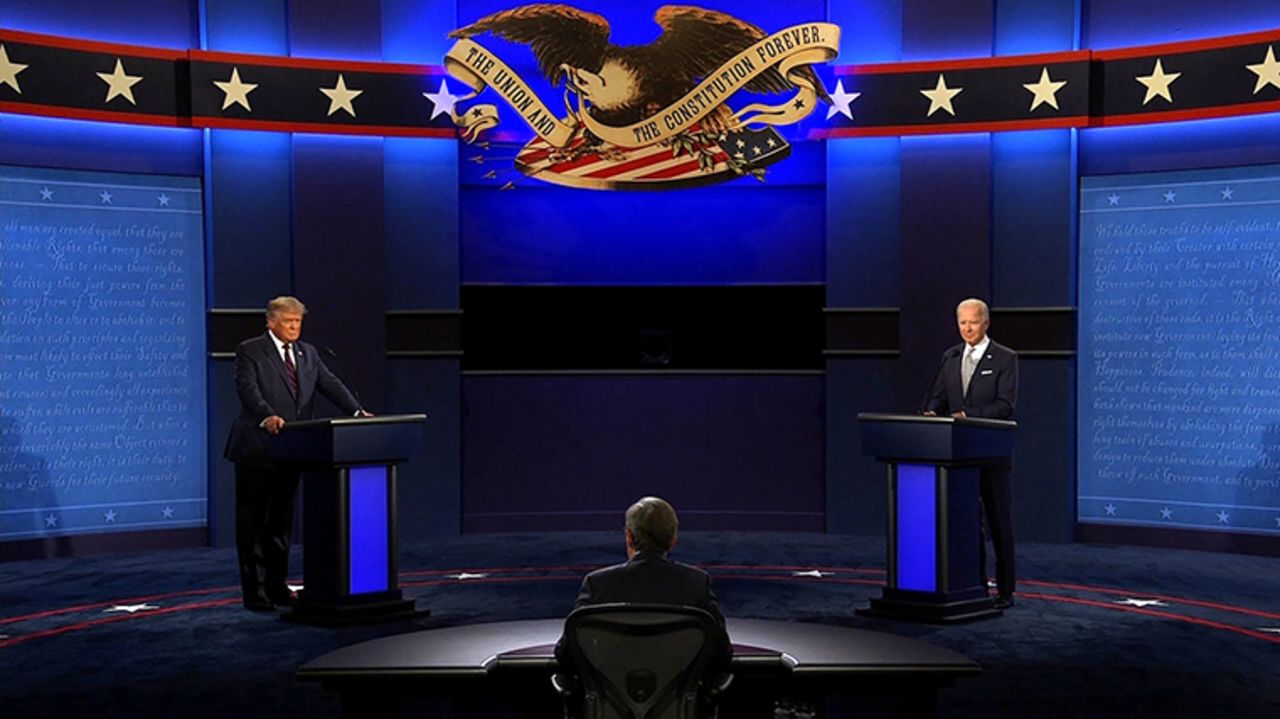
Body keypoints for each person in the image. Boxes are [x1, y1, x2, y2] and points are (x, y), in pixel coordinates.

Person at [223, 296, 368, 611]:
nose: (294, 327)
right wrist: (266, 415)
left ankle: (277, 586)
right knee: (254, 524)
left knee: (280, 524)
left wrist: (356, 412)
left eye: (298, 321)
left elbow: (329, 383)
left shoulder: (308, 353)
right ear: (271, 322)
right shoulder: (250, 350)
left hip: (293, 449)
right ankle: (255, 592)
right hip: (257, 449)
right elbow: (248, 390)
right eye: (288, 321)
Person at [555, 496, 732, 672]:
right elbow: (722, 654)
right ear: (673, 541)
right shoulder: (697, 583)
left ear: (629, 537)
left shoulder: (597, 584)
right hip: (679, 699)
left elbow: (567, 655)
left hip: (610, 698)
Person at [923, 297, 1018, 609]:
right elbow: (938, 398)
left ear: (986, 323)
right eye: (962, 322)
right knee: (967, 525)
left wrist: (969, 415)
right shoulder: (950, 357)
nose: (967, 328)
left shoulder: (1005, 358)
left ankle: (1006, 590)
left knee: (998, 523)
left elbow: (1005, 406)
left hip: (990, 456)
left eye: (973, 322)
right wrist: (933, 413)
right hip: (957, 457)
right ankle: (975, 584)